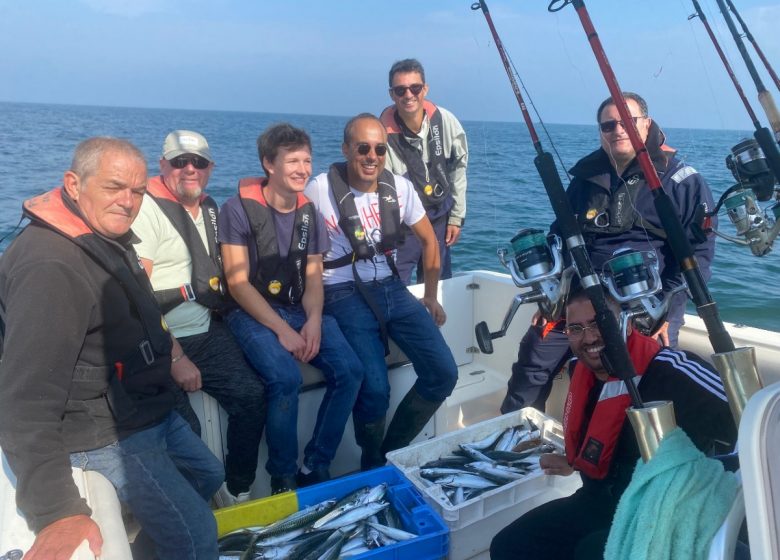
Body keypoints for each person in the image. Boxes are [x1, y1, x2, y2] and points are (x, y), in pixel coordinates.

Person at [0, 138, 224, 560]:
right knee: (198, 534)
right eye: (114, 187)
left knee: (207, 472)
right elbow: (24, 401)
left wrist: (174, 357)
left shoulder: (104, 236)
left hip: (143, 405)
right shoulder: (51, 268)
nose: (128, 201)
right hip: (104, 431)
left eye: (138, 191)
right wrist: (56, 511)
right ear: (73, 184)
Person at [501, 92, 716, 413]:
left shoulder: (684, 182)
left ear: (646, 125)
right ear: (600, 132)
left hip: (645, 305)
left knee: (645, 382)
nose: (618, 130)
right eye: (608, 124)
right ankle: (516, 435)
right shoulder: (585, 179)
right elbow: (558, 236)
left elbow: (697, 257)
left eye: (628, 122)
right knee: (535, 354)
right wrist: (553, 294)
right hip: (579, 299)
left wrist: (667, 312)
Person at [490, 286, 736, 560]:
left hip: (659, 512)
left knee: (590, 552)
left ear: (625, 322)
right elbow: (605, 441)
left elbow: (750, 420)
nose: (590, 337)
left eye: (599, 323)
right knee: (508, 545)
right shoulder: (578, 369)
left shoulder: (671, 371)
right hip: (598, 502)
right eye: (576, 328)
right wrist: (573, 462)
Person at [305, 113, 459, 470]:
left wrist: (431, 295)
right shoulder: (319, 189)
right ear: (346, 149)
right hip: (342, 291)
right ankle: (371, 461)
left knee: (444, 372)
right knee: (374, 389)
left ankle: (389, 452)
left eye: (379, 149)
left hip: (391, 286)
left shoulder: (400, 188)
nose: (371, 156)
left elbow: (429, 242)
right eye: (362, 148)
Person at [219, 123, 363, 494]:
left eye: (307, 161)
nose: (302, 169)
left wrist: (313, 320)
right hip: (250, 311)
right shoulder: (236, 210)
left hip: (299, 307)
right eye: (292, 160)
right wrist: (281, 330)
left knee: (350, 371)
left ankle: (316, 464)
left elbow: (314, 277)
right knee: (285, 378)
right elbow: (237, 284)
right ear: (269, 163)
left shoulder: (309, 213)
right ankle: (283, 476)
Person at [131, 130, 267, 505]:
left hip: (206, 328)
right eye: (179, 161)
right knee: (185, 432)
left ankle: (238, 490)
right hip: (159, 342)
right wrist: (175, 357)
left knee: (253, 396)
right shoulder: (145, 211)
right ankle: (195, 509)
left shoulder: (209, 208)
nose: (189, 169)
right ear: (162, 166)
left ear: (210, 168)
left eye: (199, 162)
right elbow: (137, 298)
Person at [379, 58, 468, 284]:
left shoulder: (446, 121)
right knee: (395, 283)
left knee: (437, 284)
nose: (408, 95)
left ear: (425, 89)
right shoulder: (381, 133)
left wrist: (456, 217)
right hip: (403, 225)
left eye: (415, 88)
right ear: (392, 94)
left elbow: (458, 170)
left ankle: (434, 319)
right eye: (400, 90)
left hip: (440, 216)